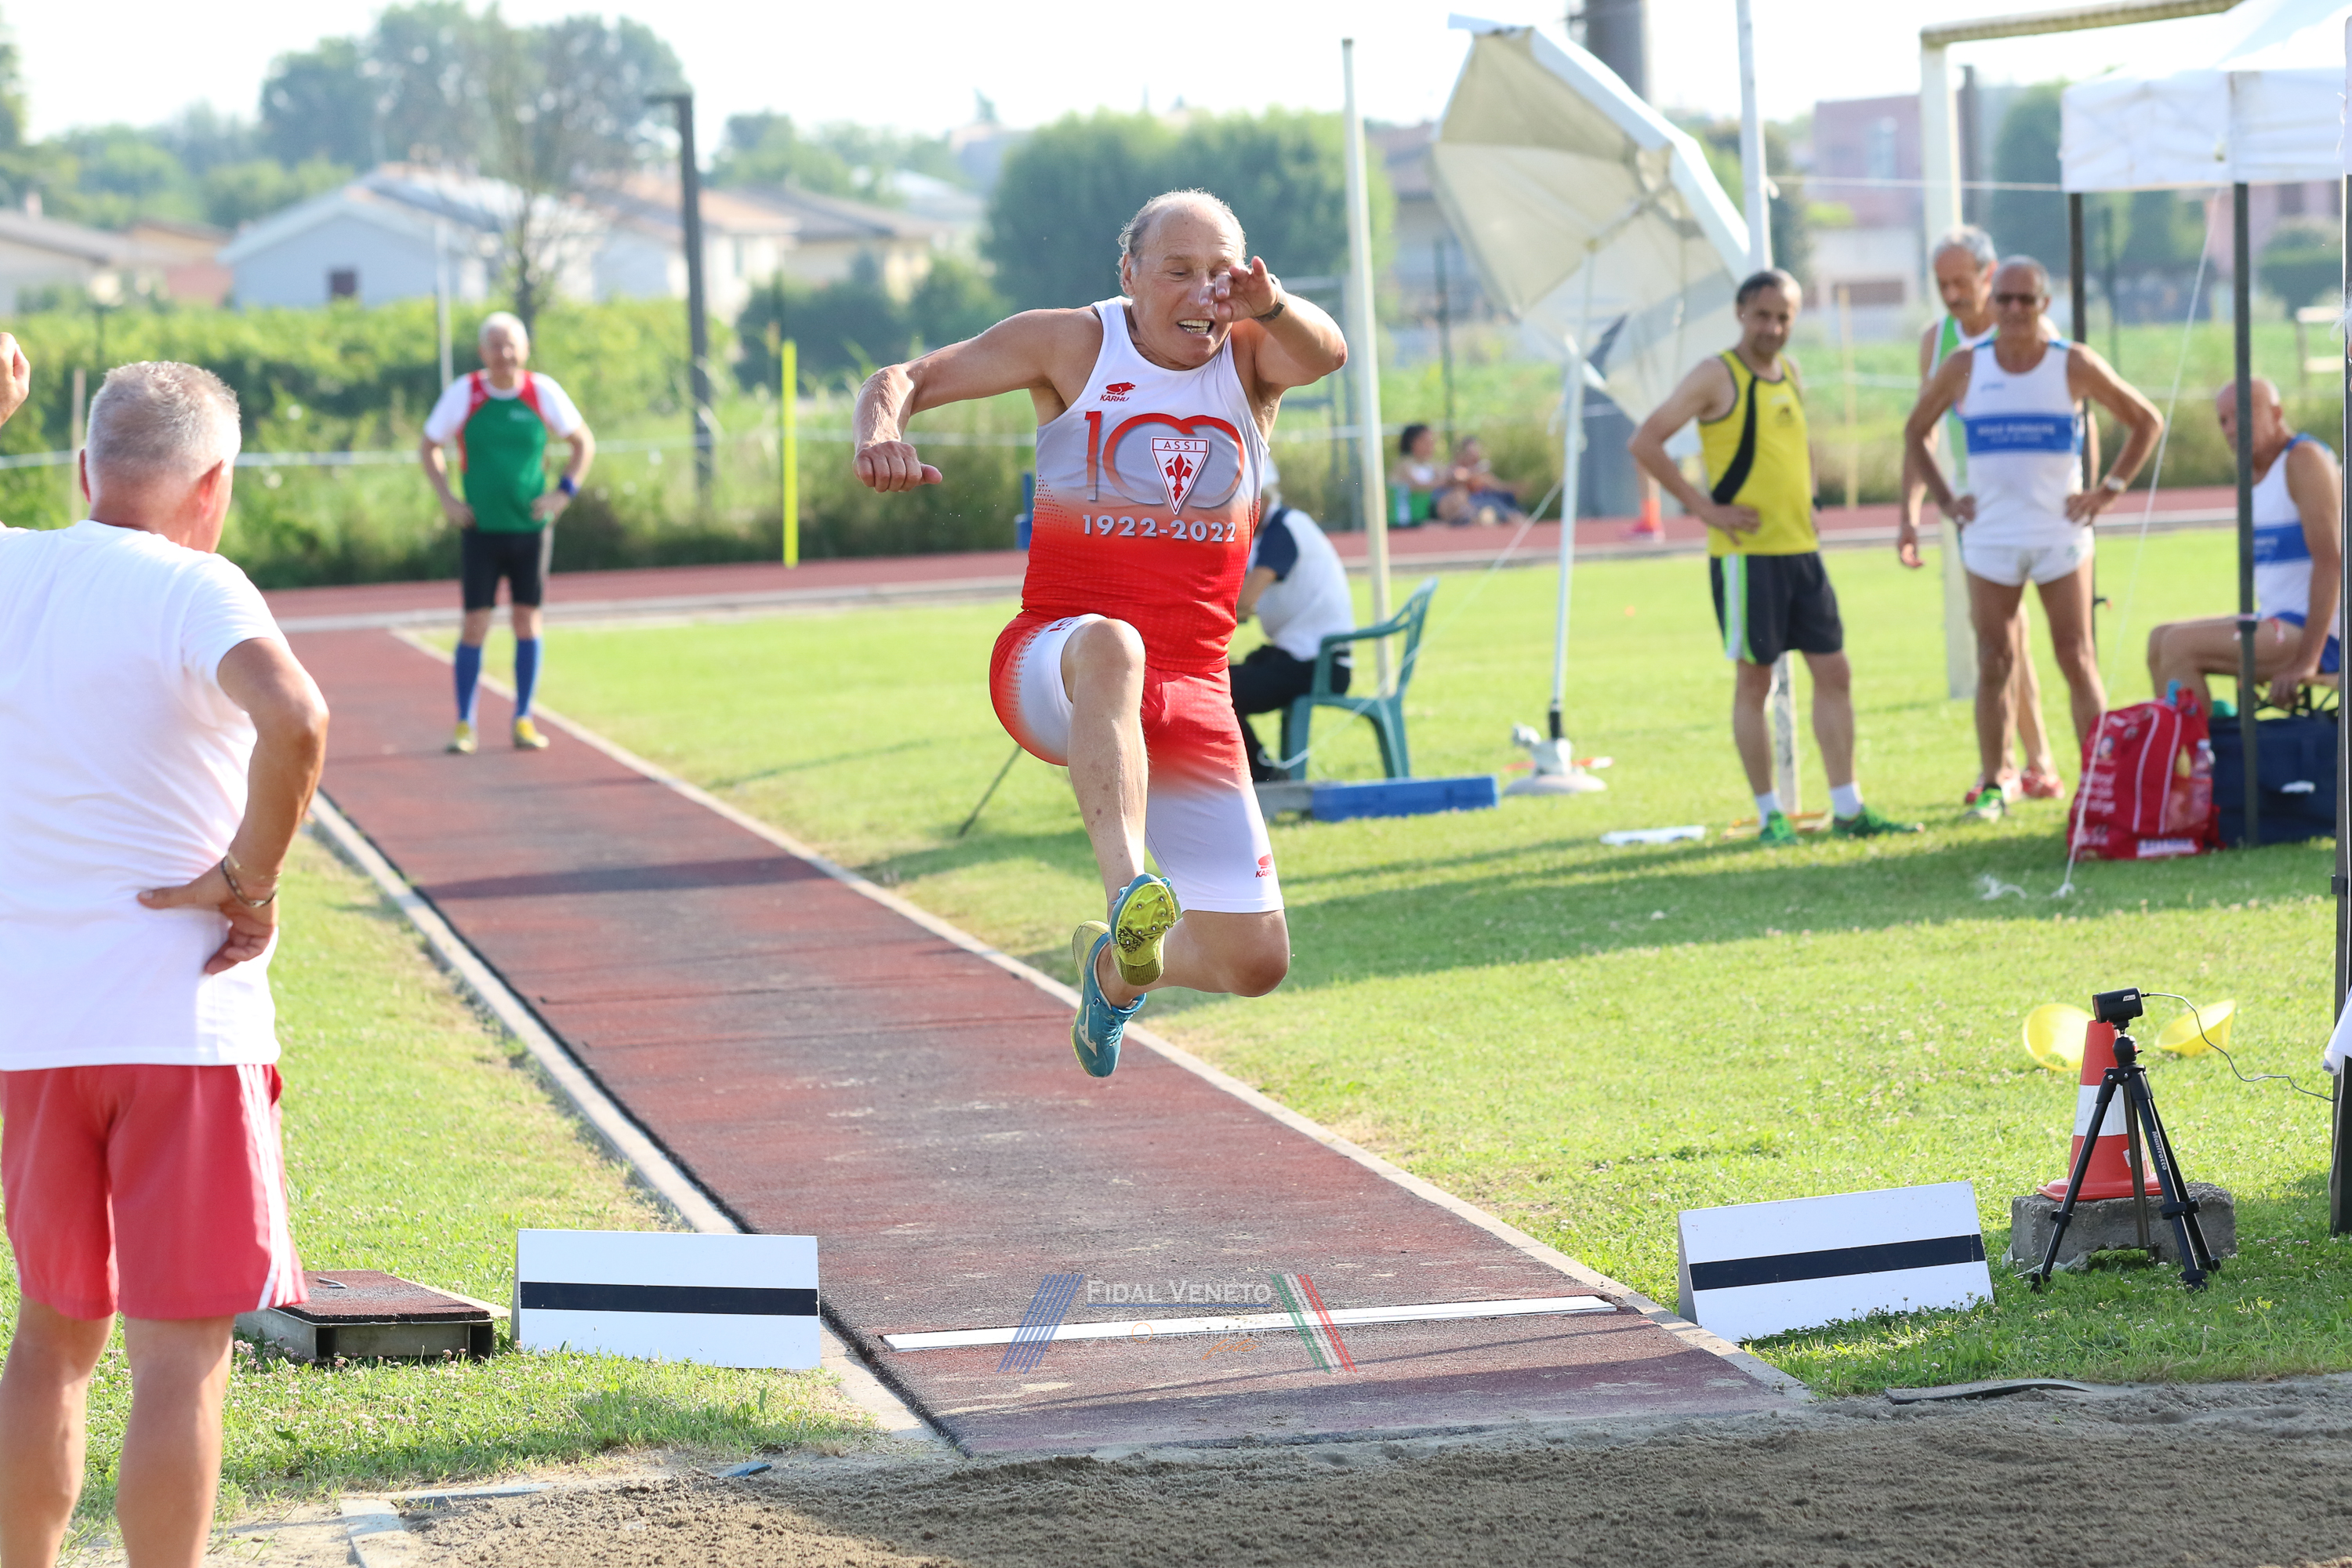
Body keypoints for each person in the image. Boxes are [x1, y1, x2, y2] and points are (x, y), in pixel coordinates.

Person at [851, 190, 1348, 1077]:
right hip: (1056, 659)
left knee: (1254, 961)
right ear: (1130, 274)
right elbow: (905, 377)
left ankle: (1115, 969)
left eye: (1221, 272)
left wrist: (1269, 305)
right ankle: (1128, 894)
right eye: (1179, 270)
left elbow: (1328, 352)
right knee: (1116, 643)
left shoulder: (1251, 355)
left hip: (1192, 688)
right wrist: (881, 431)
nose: (1204, 292)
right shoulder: (1072, 343)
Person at [0, 358, 328, 1567]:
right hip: (185, 1030)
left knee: (50, 1341)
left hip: (33, 1033)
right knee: (180, 1357)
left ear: (82, 469)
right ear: (215, 484)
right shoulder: (198, 584)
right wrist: (251, 879)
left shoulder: (13, 571)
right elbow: (297, 718)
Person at [1628, 268, 1921, 846]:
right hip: (1748, 558)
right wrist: (1703, 508)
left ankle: (1848, 808)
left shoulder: (1791, 372)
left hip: (1801, 552)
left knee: (1835, 673)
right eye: (1762, 315)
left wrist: (1808, 499)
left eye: (1784, 317)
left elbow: (1797, 443)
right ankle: (1770, 816)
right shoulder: (1716, 374)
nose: (1773, 327)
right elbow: (1645, 440)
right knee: (1755, 680)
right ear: (1741, 313)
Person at [1904, 257, 2165, 822]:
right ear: (1990, 303)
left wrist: (2108, 490)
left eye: (2027, 299)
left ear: (2045, 303)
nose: (2015, 309)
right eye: (2005, 299)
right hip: (1991, 535)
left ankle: (2102, 785)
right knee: (1993, 659)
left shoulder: (2072, 362)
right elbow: (1915, 430)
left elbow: (2147, 421)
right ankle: (1995, 781)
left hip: (2058, 533)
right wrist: (1946, 501)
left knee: (2077, 656)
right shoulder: (1964, 364)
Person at [1898, 225, 2063, 806]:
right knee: (2001, 640)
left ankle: (2024, 765)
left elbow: (2074, 410)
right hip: (1978, 509)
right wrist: (1914, 511)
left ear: (1988, 276)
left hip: (2039, 504)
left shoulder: (2028, 327)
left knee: (2032, 642)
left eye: (1960, 282)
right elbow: (1922, 428)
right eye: (1941, 284)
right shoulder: (1938, 341)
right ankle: (2023, 766)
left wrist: (2089, 491)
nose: (1951, 295)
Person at [419, 311, 595, 754]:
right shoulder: (466, 393)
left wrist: (563, 494)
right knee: (475, 623)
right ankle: (465, 723)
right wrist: (448, 499)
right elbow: (429, 445)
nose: (505, 353)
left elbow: (583, 443)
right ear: (482, 352)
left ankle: (524, 719)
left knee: (526, 620)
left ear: (526, 349)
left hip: (530, 530)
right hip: (481, 530)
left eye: (512, 344)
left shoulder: (542, 392)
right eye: (496, 345)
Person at [2146, 379, 2342, 709]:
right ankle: (2208, 735)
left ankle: (2203, 742)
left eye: (2243, 415)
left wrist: (2306, 662)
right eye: (2223, 420)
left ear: (2276, 413)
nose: (2232, 428)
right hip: (2279, 622)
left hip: (2324, 637)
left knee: (2178, 645)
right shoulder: (2252, 472)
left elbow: (2332, 562)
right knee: (2159, 639)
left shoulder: (2303, 460)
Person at [1232, 463, 1356, 782]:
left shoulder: (1282, 530)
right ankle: (1259, 772)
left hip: (1315, 665)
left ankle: (1264, 775)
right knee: (1220, 679)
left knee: (1218, 690)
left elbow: (1243, 602)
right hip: (1304, 657)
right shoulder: (1276, 529)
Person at [1390, 423, 1467, 527]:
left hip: (1434, 508)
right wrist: (1444, 482)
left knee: (1459, 491)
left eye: (1432, 441)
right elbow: (1415, 486)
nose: (1431, 445)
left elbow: (1451, 475)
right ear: (1413, 442)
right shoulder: (1403, 465)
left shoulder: (1432, 465)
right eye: (1426, 441)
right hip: (1415, 514)